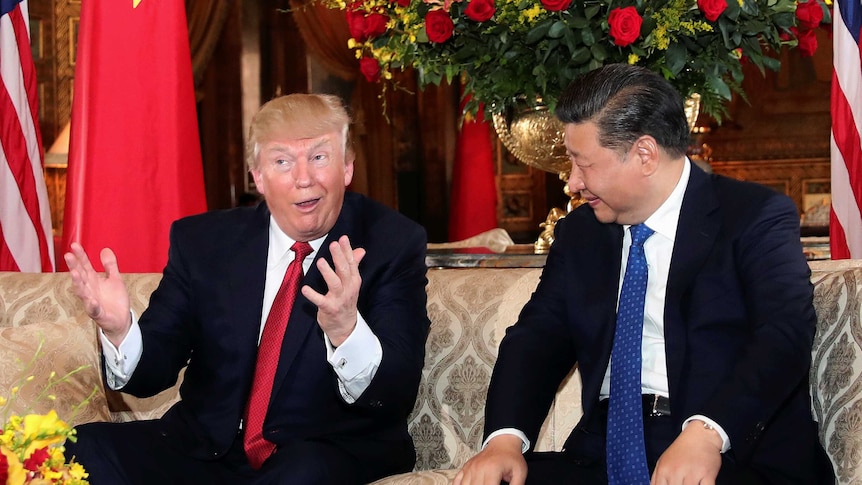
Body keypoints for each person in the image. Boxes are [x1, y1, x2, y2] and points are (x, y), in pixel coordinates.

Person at [454, 64, 834, 485]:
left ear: (645, 154)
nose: (573, 184)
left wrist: (708, 433)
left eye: (584, 164)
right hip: (603, 449)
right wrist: (505, 441)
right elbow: (537, 338)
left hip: (724, 450)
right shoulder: (581, 233)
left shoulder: (753, 216)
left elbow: (784, 334)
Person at [63, 93, 431, 485]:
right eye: (282, 162)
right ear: (258, 177)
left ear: (347, 167)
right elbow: (154, 368)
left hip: (324, 452)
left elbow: (395, 393)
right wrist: (121, 331)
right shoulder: (204, 242)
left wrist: (346, 330)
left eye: (320, 157)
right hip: (206, 451)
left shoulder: (391, 242)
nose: (304, 178)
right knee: (79, 449)